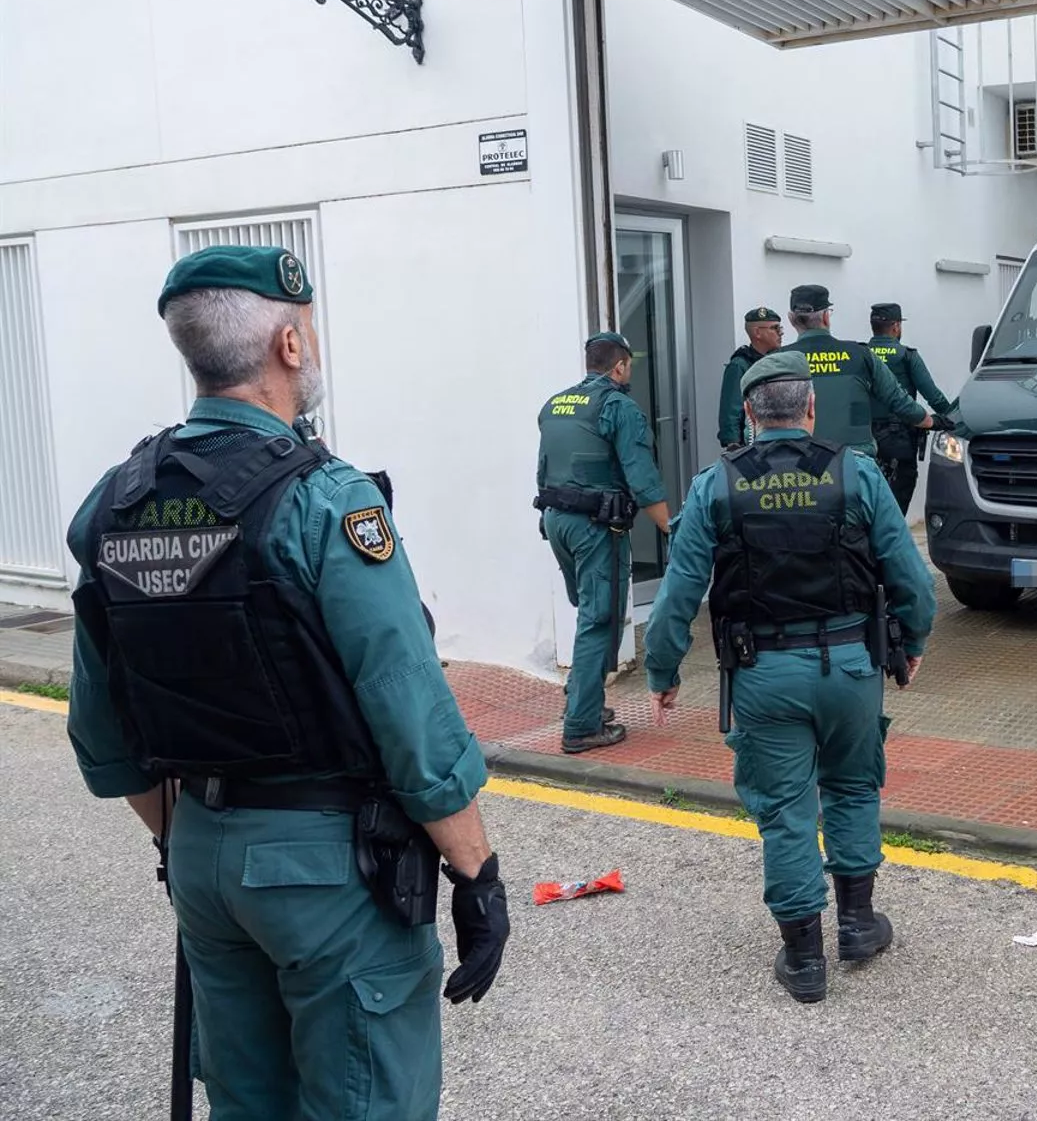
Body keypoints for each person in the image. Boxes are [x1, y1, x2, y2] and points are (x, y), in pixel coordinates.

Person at [65, 245, 509, 1120]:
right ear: (289, 346)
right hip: (326, 866)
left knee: (245, 1101)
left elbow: (101, 732)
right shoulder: (326, 501)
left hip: (200, 851)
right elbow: (407, 706)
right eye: (307, 328)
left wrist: (188, 835)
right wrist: (476, 872)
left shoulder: (113, 501)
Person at [642, 350, 936, 1004]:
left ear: (748, 413)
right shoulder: (857, 474)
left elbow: (679, 595)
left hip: (763, 674)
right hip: (852, 667)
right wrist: (911, 642)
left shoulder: (713, 485)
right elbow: (910, 578)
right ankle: (858, 924)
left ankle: (804, 960)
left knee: (785, 811)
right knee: (854, 788)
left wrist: (662, 671)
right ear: (811, 408)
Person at [534, 332, 671, 753]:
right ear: (620, 367)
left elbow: (544, 467)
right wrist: (673, 529)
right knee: (599, 619)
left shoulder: (555, 404)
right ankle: (581, 726)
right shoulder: (618, 407)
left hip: (556, 520)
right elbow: (643, 480)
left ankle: (581, 699)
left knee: (589, 613)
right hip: (596, 528)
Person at [780, 284, 931, 455]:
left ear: (791, 319)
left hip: (799, 462)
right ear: (825, 317)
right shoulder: (861, 355)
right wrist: (928, 421)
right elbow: (898, 399)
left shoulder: (777, 361)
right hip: (854, 461)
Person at [865, 302, 957, 512]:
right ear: (896, 326)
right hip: (900, 440)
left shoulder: (861, 354)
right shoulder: (907, 356)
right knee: (897, 504)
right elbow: (933, 395)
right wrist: (954, 418)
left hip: (866, 438)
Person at [718, 305, 785, 448]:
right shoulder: (739, 365)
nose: (780, 333)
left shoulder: (780, 361)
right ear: (757, 333)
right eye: (774, 328)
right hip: (752, 444)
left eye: (780, 328)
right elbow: (731, 410)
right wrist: (733, 445)